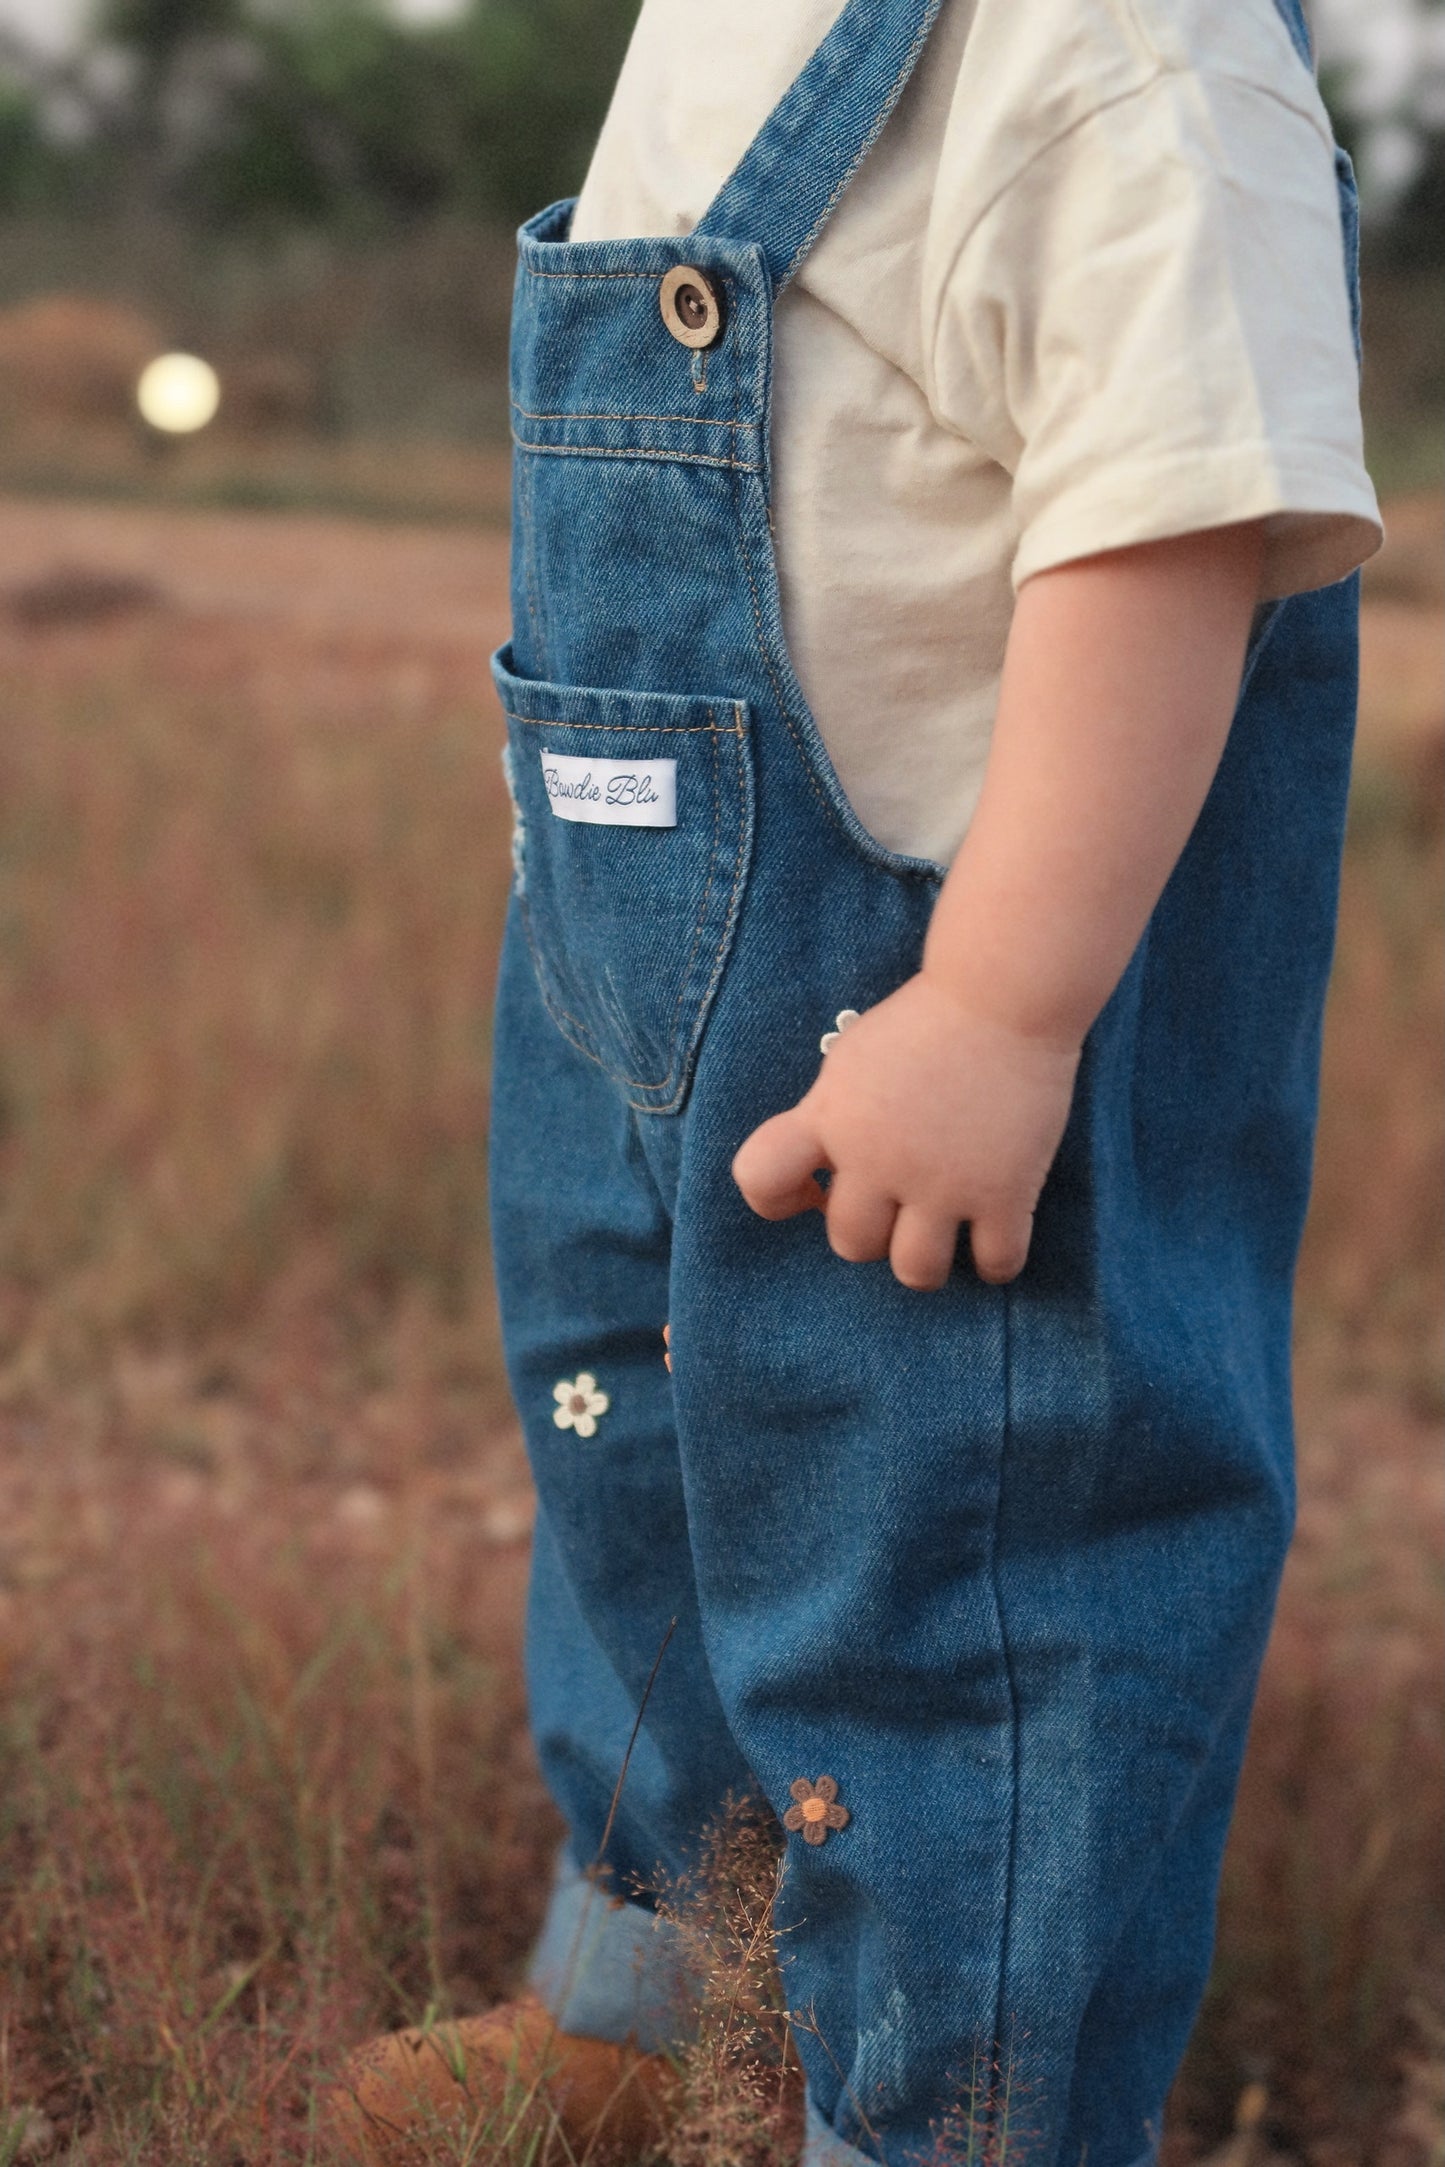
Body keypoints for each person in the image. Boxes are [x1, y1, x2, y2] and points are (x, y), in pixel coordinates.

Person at [326, 0, 1382, 2160]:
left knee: (958, 1612)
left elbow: (1164, 537)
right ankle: (666, 1991)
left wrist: (998, 1006)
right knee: (650, 1481)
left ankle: (947, 2117)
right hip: (652, 978)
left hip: (944, 1011)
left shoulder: (1129, 51)